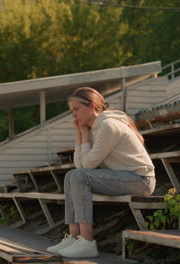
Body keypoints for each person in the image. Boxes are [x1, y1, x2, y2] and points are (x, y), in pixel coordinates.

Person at [47, 87, 156, 258]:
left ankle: (87, 242)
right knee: (71, 176)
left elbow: (87, 166)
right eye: (71, 111)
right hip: (123, 177)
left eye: (76, 109)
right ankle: (75, 238)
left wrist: (83, 133)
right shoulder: (92, 129)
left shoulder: (108, 125)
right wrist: (81, 132)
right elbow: (79, 164)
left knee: (78, 176)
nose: (73, 115)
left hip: (140, 180)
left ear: (91, 106)